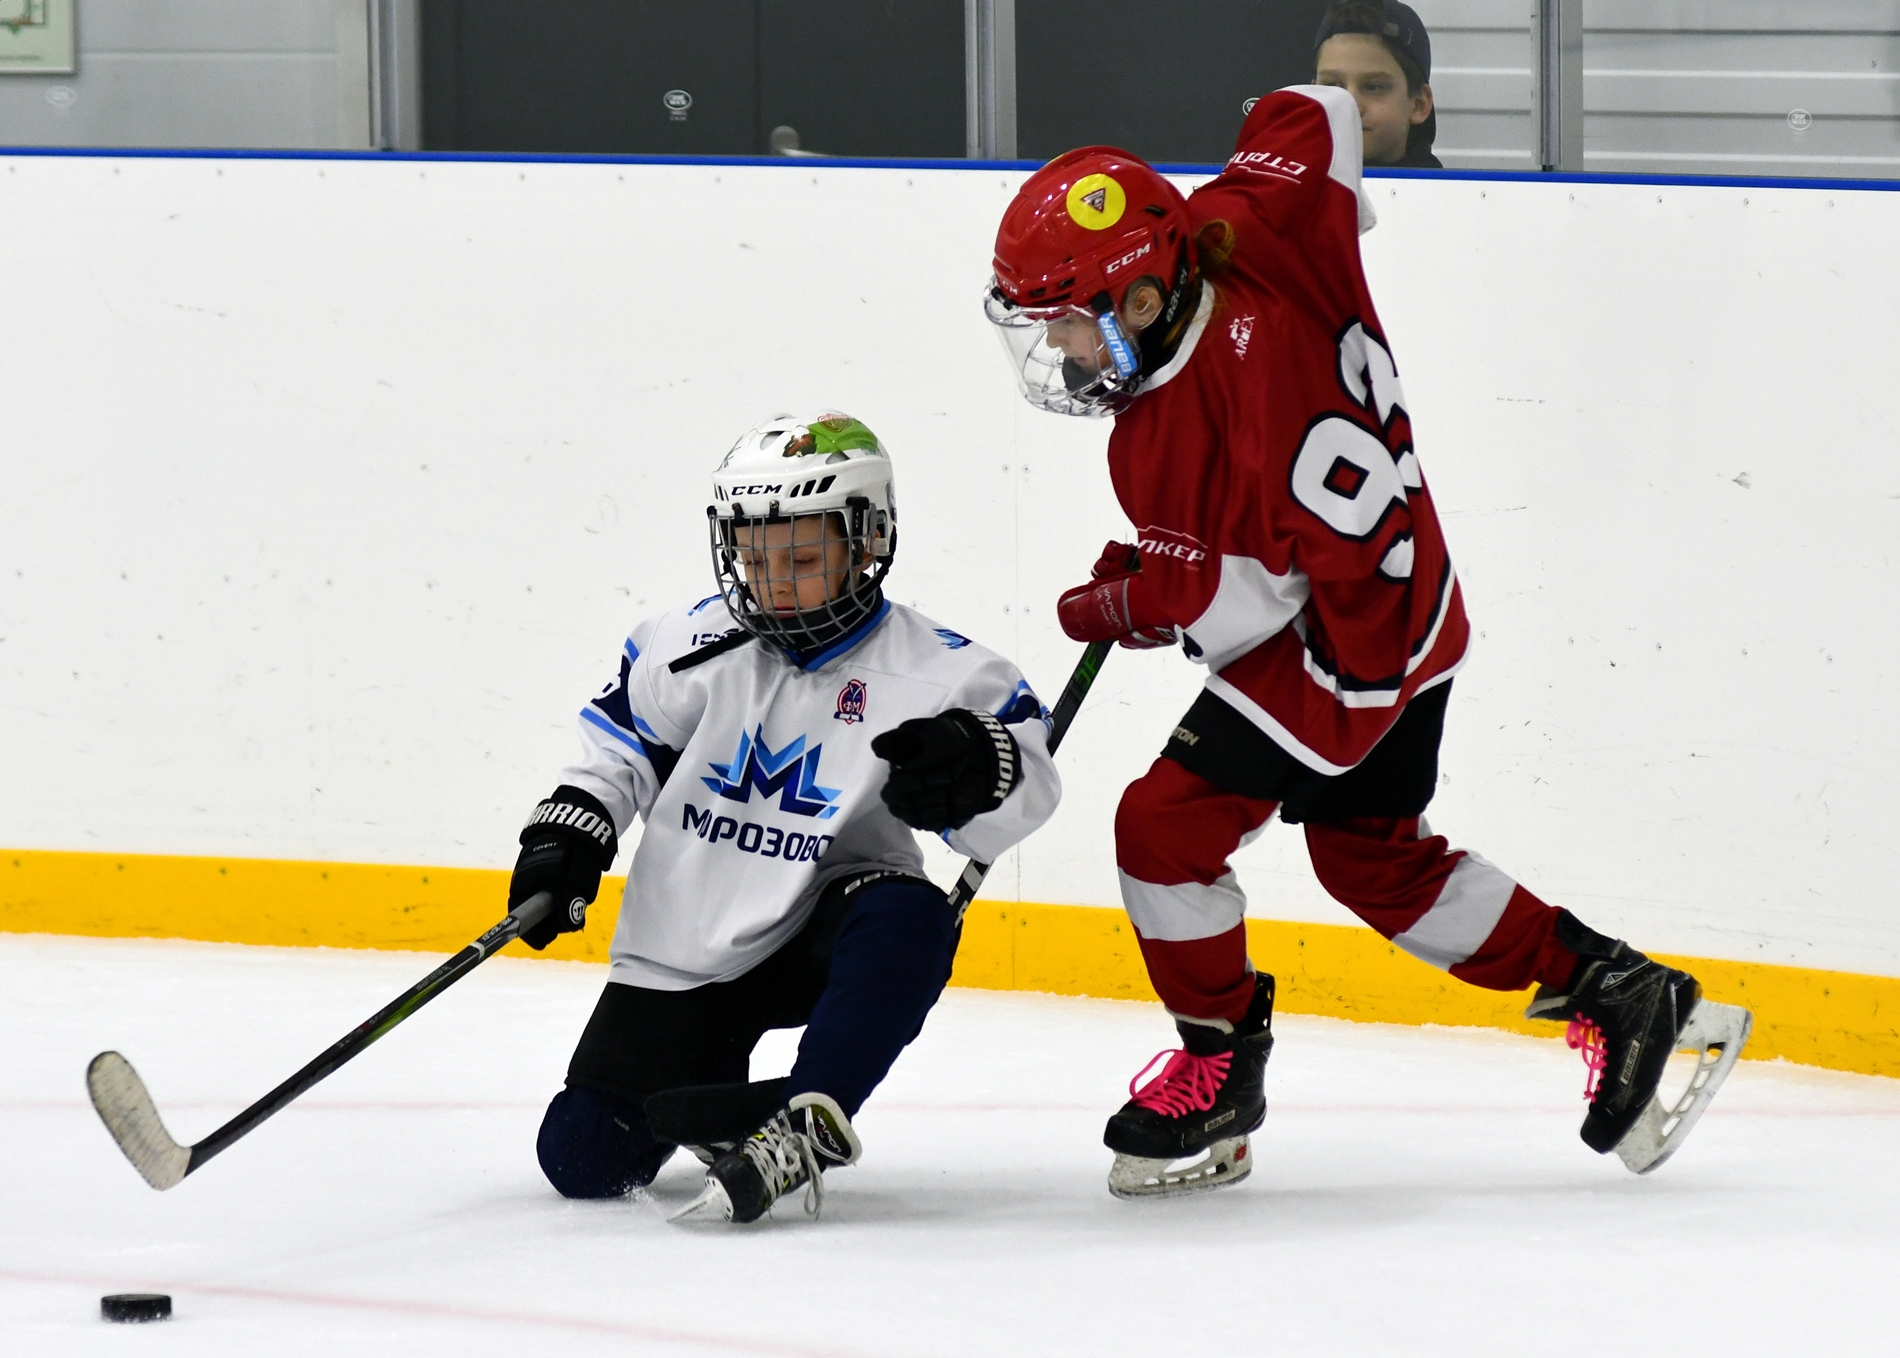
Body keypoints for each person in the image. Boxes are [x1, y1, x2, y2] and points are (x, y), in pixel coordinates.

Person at [981, 86, 1750, 1198]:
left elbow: (1214, 606)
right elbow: (1315, 111)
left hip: (1345, 658)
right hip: (1414, 599)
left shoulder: (1164, 437)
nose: (1055, 345)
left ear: (1144, 296)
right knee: (1369, 854)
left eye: (1066, 316)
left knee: (1163, 827)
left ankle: (1216, 1068)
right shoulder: (1259, 221)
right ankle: (1618, 989)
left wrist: (1112, 604)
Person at [509, 411, 1061, 1223]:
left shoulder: (943, 672)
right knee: (582, 1155)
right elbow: (617, 755)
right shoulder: (686, 645)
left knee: (913, 915)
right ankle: (722, 1101)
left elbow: (1020, 801)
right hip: (689, 942)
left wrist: (985, 768)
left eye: (800, 557)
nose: (771, 581)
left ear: (866, 542)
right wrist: (567, 836)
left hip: (827, 924)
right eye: (754, 556)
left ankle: (812, 1115)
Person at [1315, 0, 1441, 169]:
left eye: (1372, 87)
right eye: (1333, 86)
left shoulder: (1443, 194)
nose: (1350, 107)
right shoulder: (1282, 189)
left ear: (1419, 105)